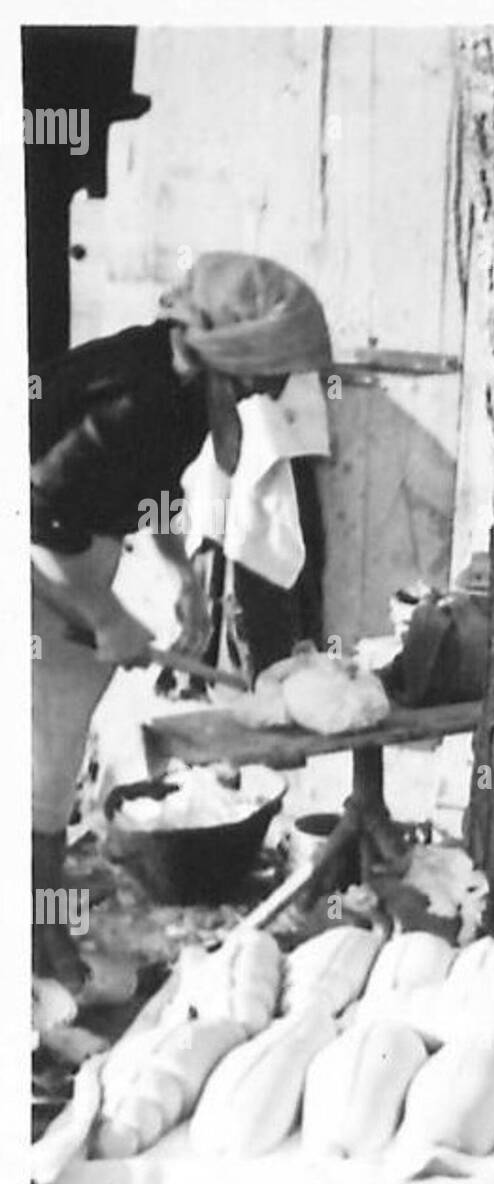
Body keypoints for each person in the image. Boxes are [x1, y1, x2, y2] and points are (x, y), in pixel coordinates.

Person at [30, 252, 332, 990]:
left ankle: (43, 937)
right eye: (270, 372)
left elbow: (148, 484)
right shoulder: (136, 395)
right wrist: (107, 617)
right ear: (240, 355)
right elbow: (41, 511)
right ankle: (35, 961)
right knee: (34, 775)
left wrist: (178, 573)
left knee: (53, 764)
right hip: (37, 567)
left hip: (68, 562)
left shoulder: (174, 377)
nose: (275, 388)